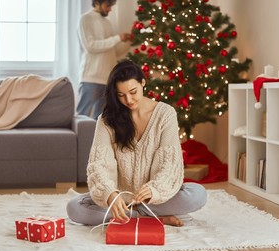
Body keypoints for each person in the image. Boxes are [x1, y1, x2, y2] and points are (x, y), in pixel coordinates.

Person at [67, 60, 207, 227]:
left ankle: (131, 215)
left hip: (153, 199)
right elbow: (98, 165)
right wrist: (111, 194)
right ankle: (147, 218)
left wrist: (155, 189)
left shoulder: (165, 114)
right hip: (119, 199)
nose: (129, 100)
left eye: (133, 92)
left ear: (143, 83)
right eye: (121, 95)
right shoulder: (106, 120)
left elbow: (170, 164)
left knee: (198, 194)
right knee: (75, 207)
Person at [76, 0, 131, 119]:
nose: (110, 9)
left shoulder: (107, 22)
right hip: (91, 78)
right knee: (82, 117)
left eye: (111, 5)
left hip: (107, 79)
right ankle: (78, 140)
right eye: (108, 5)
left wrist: (127, 41)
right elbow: (90, 46)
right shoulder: (85, 19)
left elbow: (114, 51)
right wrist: (117, 38)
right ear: (97, 3)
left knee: (100, 121)